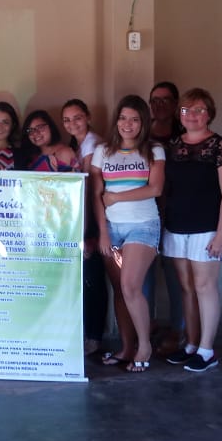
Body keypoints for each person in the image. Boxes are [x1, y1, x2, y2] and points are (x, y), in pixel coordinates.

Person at [161, 88, 222, 372]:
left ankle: (207, 350)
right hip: (176, 226)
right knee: (186, 288)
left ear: (209, 114)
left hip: (208, 228)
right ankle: (191, 344)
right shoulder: (171, 146)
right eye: (185, 110)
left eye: (198, 110)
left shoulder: (220, 146)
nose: (191, 115)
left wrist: (221, 234)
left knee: (205, 286)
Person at [91, 95, 164, 373]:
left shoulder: (154, 150)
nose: (127, 124)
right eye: (123, 118)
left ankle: (144, 346)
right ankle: (125, 348)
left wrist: (117, 198)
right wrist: (103, 233)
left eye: (134, 119)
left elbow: (155, 189)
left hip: (143, 226)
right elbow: (97, 195)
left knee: (131, 286)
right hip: (112, 229)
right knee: (120, 291)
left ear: (143, 122)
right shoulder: (103, 151)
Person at [62, 99, 106, 356]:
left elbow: (88, 190)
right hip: (82, 220)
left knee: (93, 281)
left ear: (88, 117)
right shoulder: (76, 145)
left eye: (77, 117)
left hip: (91, 222)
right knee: (85, 281)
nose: (72, 124)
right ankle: (88, 335)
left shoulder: (93, 144)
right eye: (67, 120)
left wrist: (88, 232)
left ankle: (95, 337)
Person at [145, 82, 186, 351]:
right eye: (154, 100)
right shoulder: (141, 133)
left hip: (175, 212)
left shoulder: (184, 136)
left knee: (175, 274)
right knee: (143, 273)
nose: (159, 105)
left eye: (165, 100)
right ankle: (146, 325)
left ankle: (178, 330)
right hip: (143, 212)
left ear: (175, 104)